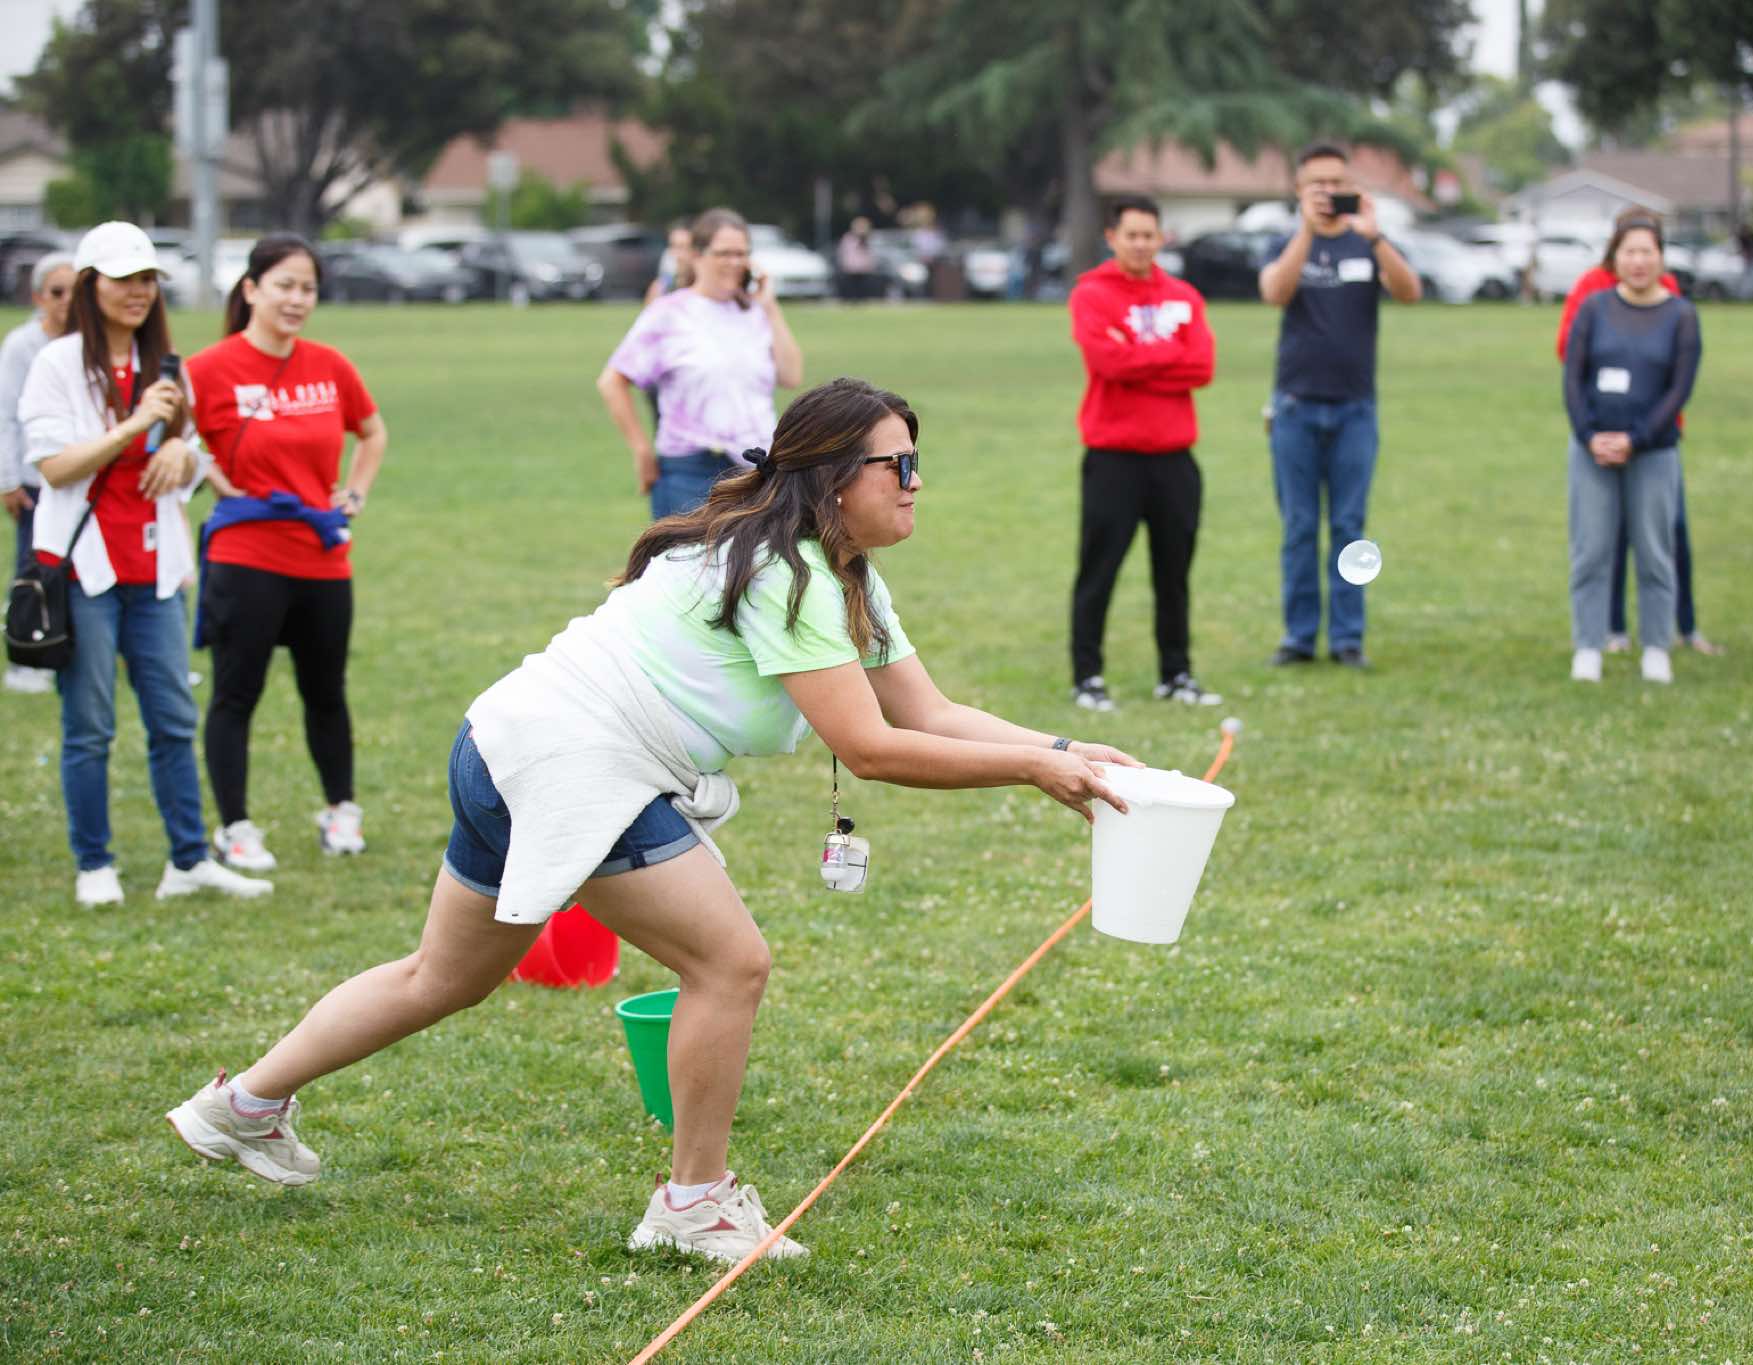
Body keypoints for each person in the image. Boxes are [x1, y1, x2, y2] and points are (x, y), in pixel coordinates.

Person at [165, 377, 1139, 1262]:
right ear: (836, 478)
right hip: (577, 765)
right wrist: (1030, 769)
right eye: (901, 464)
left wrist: (1061, 749)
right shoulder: (788, 574)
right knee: (730, 963)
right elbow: (874, 748)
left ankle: (242, 1104)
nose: (918, 484)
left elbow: (924, 710)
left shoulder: (831, 569)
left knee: (443, 977)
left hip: (499, 740)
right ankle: (693, 1203)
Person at [18, 221, 272, 906]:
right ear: (90, 285)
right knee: (90, 725)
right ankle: (94, 863)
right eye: (123, 279)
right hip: (84, 571)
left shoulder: (166, 367)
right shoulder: (57, 364)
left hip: (157, 569)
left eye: (148, 279)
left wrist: (183, 453)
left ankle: (188, 860)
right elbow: (53, 467)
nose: (139, 291)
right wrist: (134, 426)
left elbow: (187, 463)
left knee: (173, 719)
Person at [188, 234, 388, 871]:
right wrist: (206, 471)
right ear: (251, 289)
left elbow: (372, 431)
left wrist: (355, 492)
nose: (297, 299)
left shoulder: (329, 365)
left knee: (326, 692)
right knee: (236, 694)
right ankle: (235, 827)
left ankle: (341, 810)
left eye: (308, 288)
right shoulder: (208, 369)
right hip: (245, 555)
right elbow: (168, 441)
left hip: (322, 557)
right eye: (284, 286)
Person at [1258, 143, 1421, 670]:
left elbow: (1410, 292)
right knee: (1300, 527)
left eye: (1337, 182)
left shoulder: (1366, 243)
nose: (1328, 191)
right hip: (1295, 407)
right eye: (1317, 184)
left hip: (1355, 409)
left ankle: (1348, 637)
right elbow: (1275, 292)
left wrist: (1374, 236)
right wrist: (1306, 232)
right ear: (1299, 190)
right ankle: (1299, 636)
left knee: (1351, 527)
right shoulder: (1286, 243)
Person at [1065, 195, 1219, 711]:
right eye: (1131, 235)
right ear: (1112, 237)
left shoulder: (1183, 296)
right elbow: (1106, 363)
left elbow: (1202, 367)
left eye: (1149, 235)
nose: (1140, 244)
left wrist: (1136, 356)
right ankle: (1088, 677)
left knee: (1174, 572)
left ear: (1161, 238)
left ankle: (1176, 674)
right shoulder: (1092, 294)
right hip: (1113, 458)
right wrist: (1166, 355)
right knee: (1099, 569)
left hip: (1175, 458)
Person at [1554, 208, 1718, 656]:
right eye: (1630, 249)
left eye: (1648, 250)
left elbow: (1678, 372)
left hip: (1655, 438)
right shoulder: (1593, 293)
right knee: (1600, 540)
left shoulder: (1674, 302)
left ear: (1660, 253)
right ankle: (1610, 631)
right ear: (1615, 250)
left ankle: (1677, 631)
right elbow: (1570, 355)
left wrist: (1643, 432)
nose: (1639, 260)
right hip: (1599, 434)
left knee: (1662, 538)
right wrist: (1593, 431)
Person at [597, 208, 803, 520]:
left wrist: (770, 307)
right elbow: (612, 381)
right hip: (691, 471)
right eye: (724, 253)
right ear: (697, 255)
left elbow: (791, 375)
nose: (735, 262)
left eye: (742, 253)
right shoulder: (669, 313)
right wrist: (641, 450)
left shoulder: (755, 313)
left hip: (754, 470)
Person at [1, 250, 75, 694]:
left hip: (82, 477)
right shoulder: (22, 346)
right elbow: (5, 415)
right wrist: (8, 478)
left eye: (75, 291)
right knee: (33, 566)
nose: (67, 300)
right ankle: (26, 654)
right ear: (38, 297)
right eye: (57, 291)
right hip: (36, 479)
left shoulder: (90, 340)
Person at [641, 219, 694, 308]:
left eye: (684, 247)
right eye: (673, 246)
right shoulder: (661, 288)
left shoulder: (709, 289)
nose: (677, 255)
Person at [835, 216, 881, 302]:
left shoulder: (872, 239)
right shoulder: (848, 239)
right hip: (850, 272)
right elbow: (845, 255)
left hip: (867, 272)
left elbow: (875, 256)